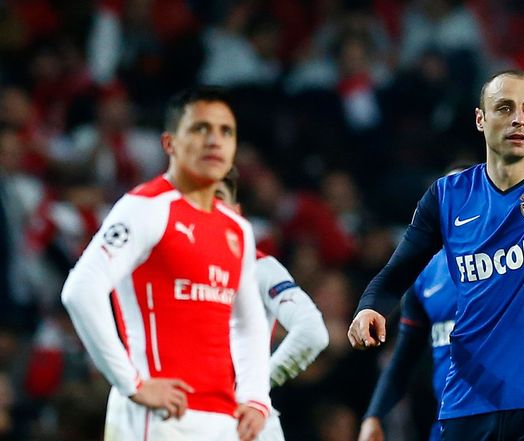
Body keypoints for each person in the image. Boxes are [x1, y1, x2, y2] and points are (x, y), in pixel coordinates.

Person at [348, 69, 524, 440]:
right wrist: (369, 306)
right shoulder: (446, 195)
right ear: (480, 118)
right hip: (470, 397)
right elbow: (398, 271)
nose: (518, 118)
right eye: (504, 107)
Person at [61, 87, 271, 441]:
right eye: (200, 128)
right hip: (159, 416)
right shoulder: (146, 207)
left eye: (225, 131)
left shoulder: (237, 229)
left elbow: (248, 321)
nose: (214, 140)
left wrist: (255, 396)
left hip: (224, 419)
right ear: (169, 143)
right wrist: (131, 383)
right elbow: (80, 290)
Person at [215, 168, 330, 441]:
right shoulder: (169, 276)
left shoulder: (259, 268)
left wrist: (255, 388)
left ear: (236, 210)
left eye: (218, 197)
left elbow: (312, 331)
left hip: (246, 424)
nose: (210, 208)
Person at [359, 249, 455, 441]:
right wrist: (374, 416)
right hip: (450, 420)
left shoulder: (500, 257)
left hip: (509, 411)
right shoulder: (425, 271)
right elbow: (404, 356)